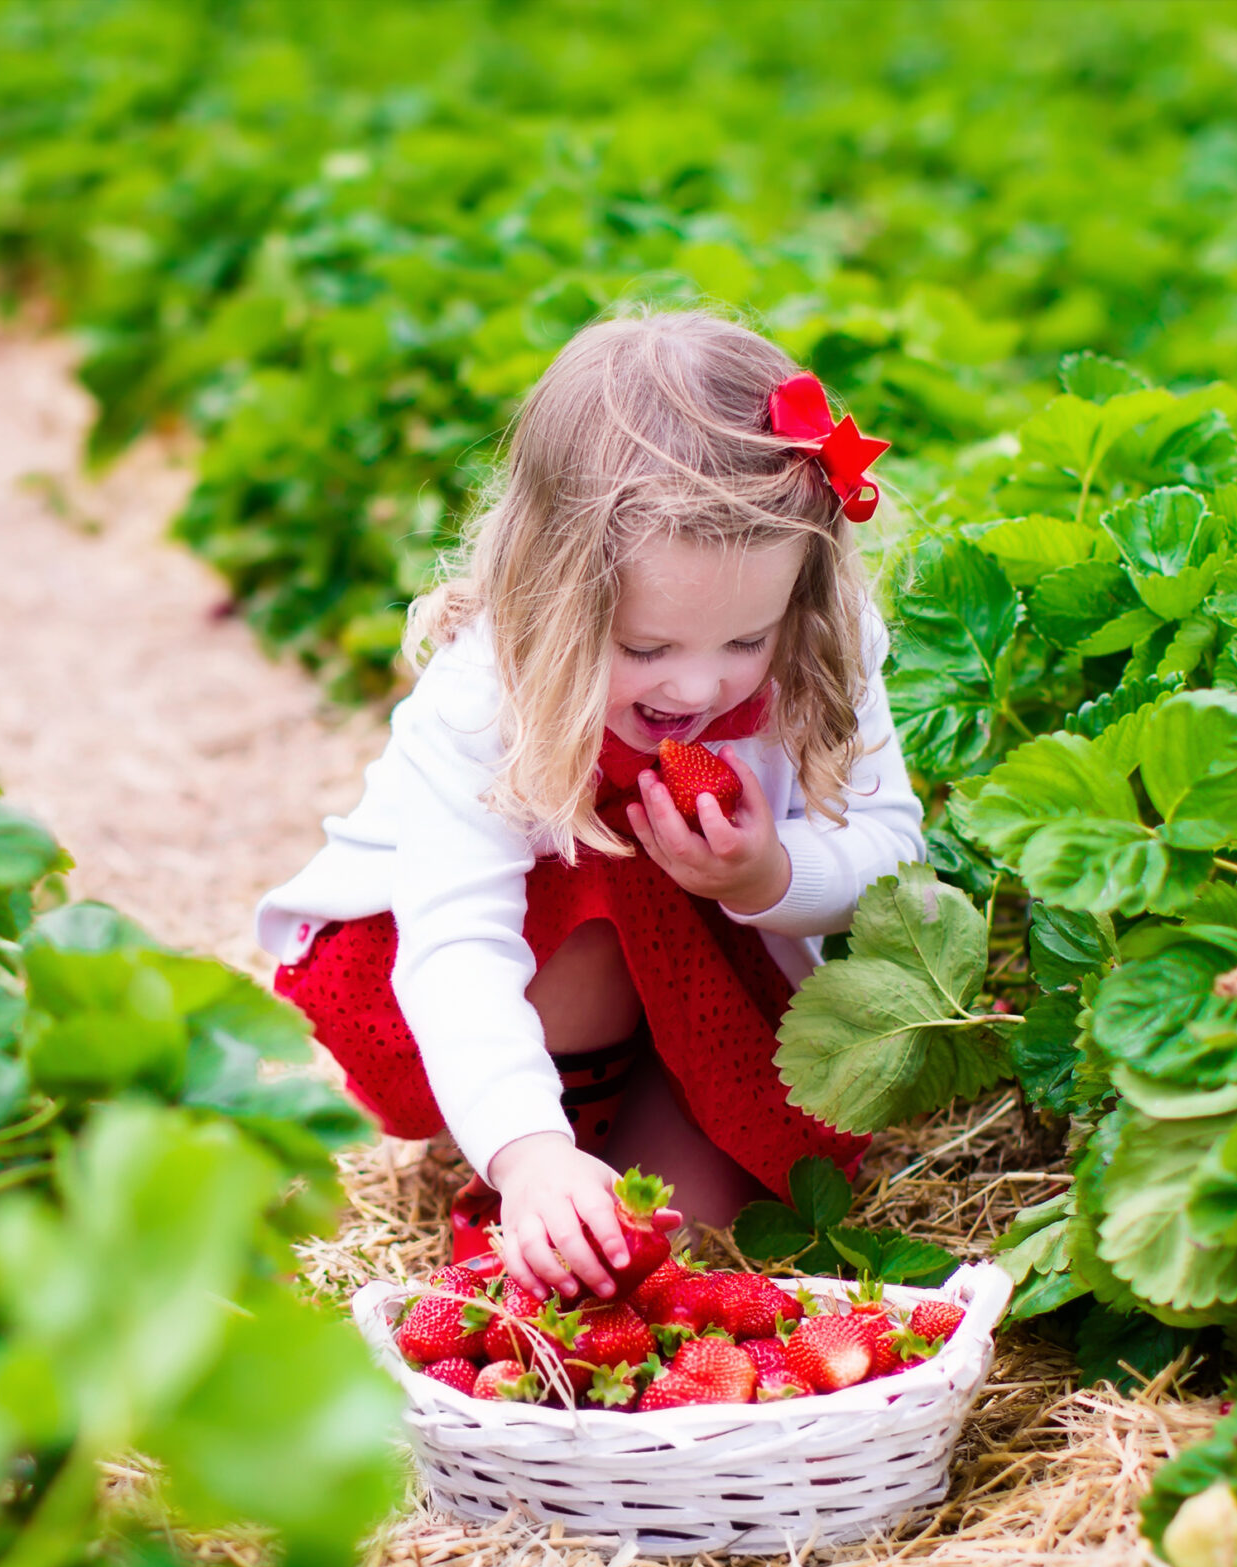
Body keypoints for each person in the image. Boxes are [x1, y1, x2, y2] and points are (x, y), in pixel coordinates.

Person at [255, 311, 926, 1304]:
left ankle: (609, 1152)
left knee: (680, 1244)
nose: (697, 688)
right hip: (473, 964)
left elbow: (888, 847)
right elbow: (461, 946)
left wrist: (768, 874)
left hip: (704, 970)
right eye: (647, 648)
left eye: (744, 641)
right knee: (597, 871)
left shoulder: (821, 639)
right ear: (552, 596)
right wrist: (527, 1156)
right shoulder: (489, 693)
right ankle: (536, 1161)